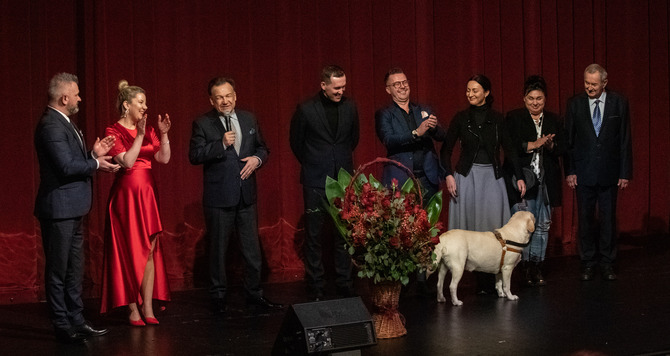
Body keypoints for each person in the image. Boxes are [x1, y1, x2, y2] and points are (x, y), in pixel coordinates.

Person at [34, 73, 118, 343]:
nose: (80, 98)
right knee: (59, 270)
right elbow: (66, 167)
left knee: (74, 269)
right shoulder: (51, 126)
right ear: (64, 98)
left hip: (73, 208)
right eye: (77, 94)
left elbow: (73, 161)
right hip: (59, 209)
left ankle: (77, 320)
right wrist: (95, 164)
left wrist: (93, 154)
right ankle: (62, 324)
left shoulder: (65, 123)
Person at [189, 76, 281, 314]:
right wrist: (219, 144)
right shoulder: (203, 123)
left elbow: (263, 147)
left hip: (246, 195)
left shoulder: (249, 118)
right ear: (212, 100)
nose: (225, 101)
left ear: (235, 96)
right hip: (219, 198)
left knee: (252, 250)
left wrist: (257, 159)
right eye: (219, 97)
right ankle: (218, 297)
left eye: (228, 95)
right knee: (218, 251)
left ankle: (254, 294)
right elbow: (195, 155)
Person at [100, 80, 172, 325]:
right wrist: (140, 135)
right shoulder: (113, 131)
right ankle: (132, 309)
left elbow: (163, 158)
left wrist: (162, 133)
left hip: (148, 196)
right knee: (128, 252)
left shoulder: (149, 129)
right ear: (126, 105)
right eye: (140, 102)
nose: (145, 106)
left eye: (145, 102)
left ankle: (148, 308)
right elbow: (128, 162)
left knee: (149, 251)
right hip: (127, 197)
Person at [289, 65, 360, 301]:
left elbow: (353, 139)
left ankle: (344, 281)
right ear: (323, 85)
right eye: (336, 87)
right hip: (315, 179)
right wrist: (315, 164)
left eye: (343, 87)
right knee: (314, 235)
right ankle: (316, 283)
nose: (341, 91)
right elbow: (296, 143)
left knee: (343, 234)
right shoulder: (306, 109)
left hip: (342, 179)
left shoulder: (350, 107)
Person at [440, 74, 514, 294]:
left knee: (491, 229)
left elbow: (509, 149)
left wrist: (518, 176)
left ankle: (489, 282)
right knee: (469, 229)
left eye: (475, 90)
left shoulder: (498, 119)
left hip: (492, 178)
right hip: (467, 178)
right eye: (468, 90)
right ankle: (459, 282)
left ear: (486, 93)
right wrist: (448, 175)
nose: (470, 94)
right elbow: (445, 150)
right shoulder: (461, 118)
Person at [375, 67, 446, 294]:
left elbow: (443, 136)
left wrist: (433, 128)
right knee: (403, 230)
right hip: (401, 180)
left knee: (426, 229)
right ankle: (402, 278)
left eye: (405, 82)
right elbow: (389, 140)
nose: (403, 86)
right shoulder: (385, 114)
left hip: (426, 177)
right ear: (388, 90)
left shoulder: (422, 109)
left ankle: (424, 278)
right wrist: (416, 132)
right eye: (397, 84)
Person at [564, 64, 632, 281]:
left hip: (610, 173)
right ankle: (588, 262)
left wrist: (624, 172)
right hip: (583, 173)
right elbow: (569, 141)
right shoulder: (574, 104)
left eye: (593, 84)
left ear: (604, 82)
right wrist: (570, 171)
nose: (589, 88)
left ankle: (607, 262)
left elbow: (625, 140)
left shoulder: (619, 103)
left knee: (608, 219)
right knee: (585, 219)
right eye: (586, 83)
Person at [503, 75, 565, 286]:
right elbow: (509, 147)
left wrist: (550, 146)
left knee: (543, 224)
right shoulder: (514, 117)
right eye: (531, 98)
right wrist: (533, 143)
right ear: (524, 99)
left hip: (547, 180)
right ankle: (524, 265)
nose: (535, 102)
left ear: (545, 99)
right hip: (523, 180)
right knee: (523, 224)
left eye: (539, 98)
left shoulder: (554, 119)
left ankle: (537, 265)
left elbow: (564, 148)